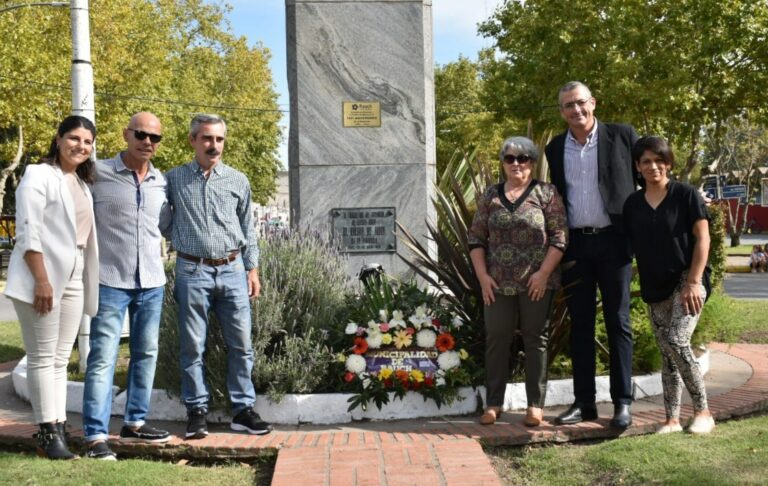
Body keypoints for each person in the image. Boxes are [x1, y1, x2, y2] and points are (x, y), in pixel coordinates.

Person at [165, 114, 272, 439]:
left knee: (241, 345)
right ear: (193, 140)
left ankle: (242, 410)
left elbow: (247, 229)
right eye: (207, 139)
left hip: (233, 270)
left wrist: (251, 268)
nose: (214, 145)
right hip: (192, 271)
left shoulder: (238, 180)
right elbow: (161, 219)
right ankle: (197, 411)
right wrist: (180, 238)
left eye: (219, 139)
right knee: (192, 346)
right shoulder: (174, 179)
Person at [4, 116, 99, 459]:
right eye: (74, 138)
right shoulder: (38, 175)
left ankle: (57, 427)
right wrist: (42, 281)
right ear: (58, 139)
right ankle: (46, 434)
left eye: (87, 141)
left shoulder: (81, 183)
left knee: (60, 358)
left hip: (73, 276)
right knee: (42, 358)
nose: (81, 146)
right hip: (40, 275)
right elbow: (30, 232)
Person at [544, 81, 638, 428]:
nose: (576, 110)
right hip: (576, 247)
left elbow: (650, 171)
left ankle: (622, 403)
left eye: (581, 103)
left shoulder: (623, 136)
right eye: (568, 105)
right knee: (580, 325)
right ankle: (584, 402)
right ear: (562, 111)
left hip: (614, 243)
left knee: (618, 322)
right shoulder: (555, 148)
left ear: (593, 103)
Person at [81, 112, 171, 460]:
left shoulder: (161, 182)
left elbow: (164, 226)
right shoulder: (96, 173)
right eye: (141, 134)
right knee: (102, 357)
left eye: (155, 137)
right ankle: (95, 434)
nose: (147, 141)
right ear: (126, 134)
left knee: (146, 354)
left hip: (151, 281)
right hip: (109, 280)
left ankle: (134, 421)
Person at [469, 136, 568, 426]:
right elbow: (476, 238)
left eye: (522, 158)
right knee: (496, 338)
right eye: (510, 158)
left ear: (533, 163)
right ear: (502, 162)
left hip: (537, 282)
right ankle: (494, 404)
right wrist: (483, 277)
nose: (516, 163)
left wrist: (544, 273)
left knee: (535, 339)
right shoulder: (491, 195)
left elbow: (560, 237)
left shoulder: (546, 193)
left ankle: (534, 405)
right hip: (497, 283)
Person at [623, 136, 714, 434]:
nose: (653, 166)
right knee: (667, 354)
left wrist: (693, 281)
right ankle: (672, 420)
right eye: (646, 161)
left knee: (677, 341)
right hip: (654, 286)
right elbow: (629, 245)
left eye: (659, 160)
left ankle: (703, 412)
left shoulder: (686, 195)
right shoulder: (633, 204)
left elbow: (703, 238)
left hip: (687, 282)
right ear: (637, 166)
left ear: (669, 164)